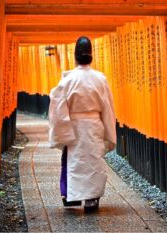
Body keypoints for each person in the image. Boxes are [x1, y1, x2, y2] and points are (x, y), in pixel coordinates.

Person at [48, 36, 116, 212]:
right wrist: (109, 132)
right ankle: (92, 199)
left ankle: (72, 196)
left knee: (74, 160)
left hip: (74, 126)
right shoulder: (100, 78)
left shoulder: (68, 79)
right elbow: (107, 107)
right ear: (91, 56)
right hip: (94, 124)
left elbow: (58, 107)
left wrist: (61, 132)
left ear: (75, 56)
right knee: (93, 159)